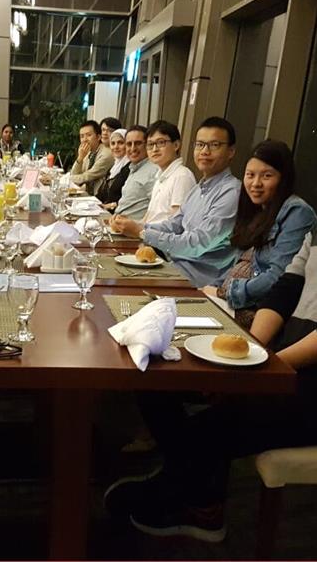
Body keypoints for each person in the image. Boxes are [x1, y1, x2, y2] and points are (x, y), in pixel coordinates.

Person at [104, 226, 317, 543]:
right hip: (287, 357)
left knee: (219, 422)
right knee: (158, 379)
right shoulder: (313, 237)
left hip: (308, 380)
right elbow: (284, 292)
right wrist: (253, 351)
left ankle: (201, 508)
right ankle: (182, 478)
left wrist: (271, 368)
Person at [202, 140, 316, 323]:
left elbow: (278, 276)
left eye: (266, 176)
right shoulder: (259, 211)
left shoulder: (297, 212)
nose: (255, 183)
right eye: (250, 175)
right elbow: (237, 264)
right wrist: (212, 288)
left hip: (258, 312)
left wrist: (223, 292)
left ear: (283, 178)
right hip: (230, 302)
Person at [120, 117, 241, 287]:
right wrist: (136, 227)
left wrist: (142, 233)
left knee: (122, 285)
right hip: (174, 267)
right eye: (200, 145)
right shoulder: (199, 188)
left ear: (231, 151)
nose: (205, 151)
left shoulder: (231, 192)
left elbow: (198, 243)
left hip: (198, 280)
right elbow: (174, 224)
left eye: (214, 145)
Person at [111, 120, 196, 230]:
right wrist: (127, 224)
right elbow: (149, 219)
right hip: (146, 235)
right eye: (151, 144)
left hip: (156, 240)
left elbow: (177, 226)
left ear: (176, 145)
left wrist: (138, 230)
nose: (155, 149)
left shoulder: (182, 176)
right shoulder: (160, 176)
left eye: (161, 143)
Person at [108, 125, 158, 220]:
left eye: (138, 143)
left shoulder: (154, 171)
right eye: (129, 144)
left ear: (147, 145)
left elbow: (156, 211)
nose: (133, 148)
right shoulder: (133, 167)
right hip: (117, 222)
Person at [70, 120, 114, 196]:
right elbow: (75, 174)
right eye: (82, 136)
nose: (84, 139)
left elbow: (87, 176)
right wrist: (80, 158)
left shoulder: (106, 154)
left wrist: (67, 179)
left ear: (98, 137)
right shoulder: (87, 153)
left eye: (88, 135)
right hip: (88, 195)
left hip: (99, 198)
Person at [96, 128, 130, 209]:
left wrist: (110, 205)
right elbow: (101, 195)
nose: (116, 147)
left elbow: (129, 198)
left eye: (120, 143)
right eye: (113, 143)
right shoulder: (112, 169)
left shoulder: (130, 168)